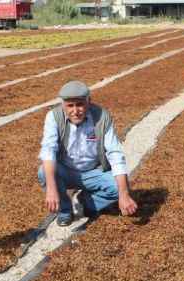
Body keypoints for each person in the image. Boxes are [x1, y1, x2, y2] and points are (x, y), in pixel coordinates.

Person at [37, 80, 137, 226]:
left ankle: (86, 202)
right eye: (70, 105)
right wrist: (51, 190)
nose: (75, 111)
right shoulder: (53, 117)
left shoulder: (102, 117)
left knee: (120, 188)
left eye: (80, 104)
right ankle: (65, 210)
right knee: (43, 172)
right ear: (63, 105)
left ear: (88, 102)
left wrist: (124, 195)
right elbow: (48, 151)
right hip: (66, 169)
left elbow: (115, 154)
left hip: (94, 171)